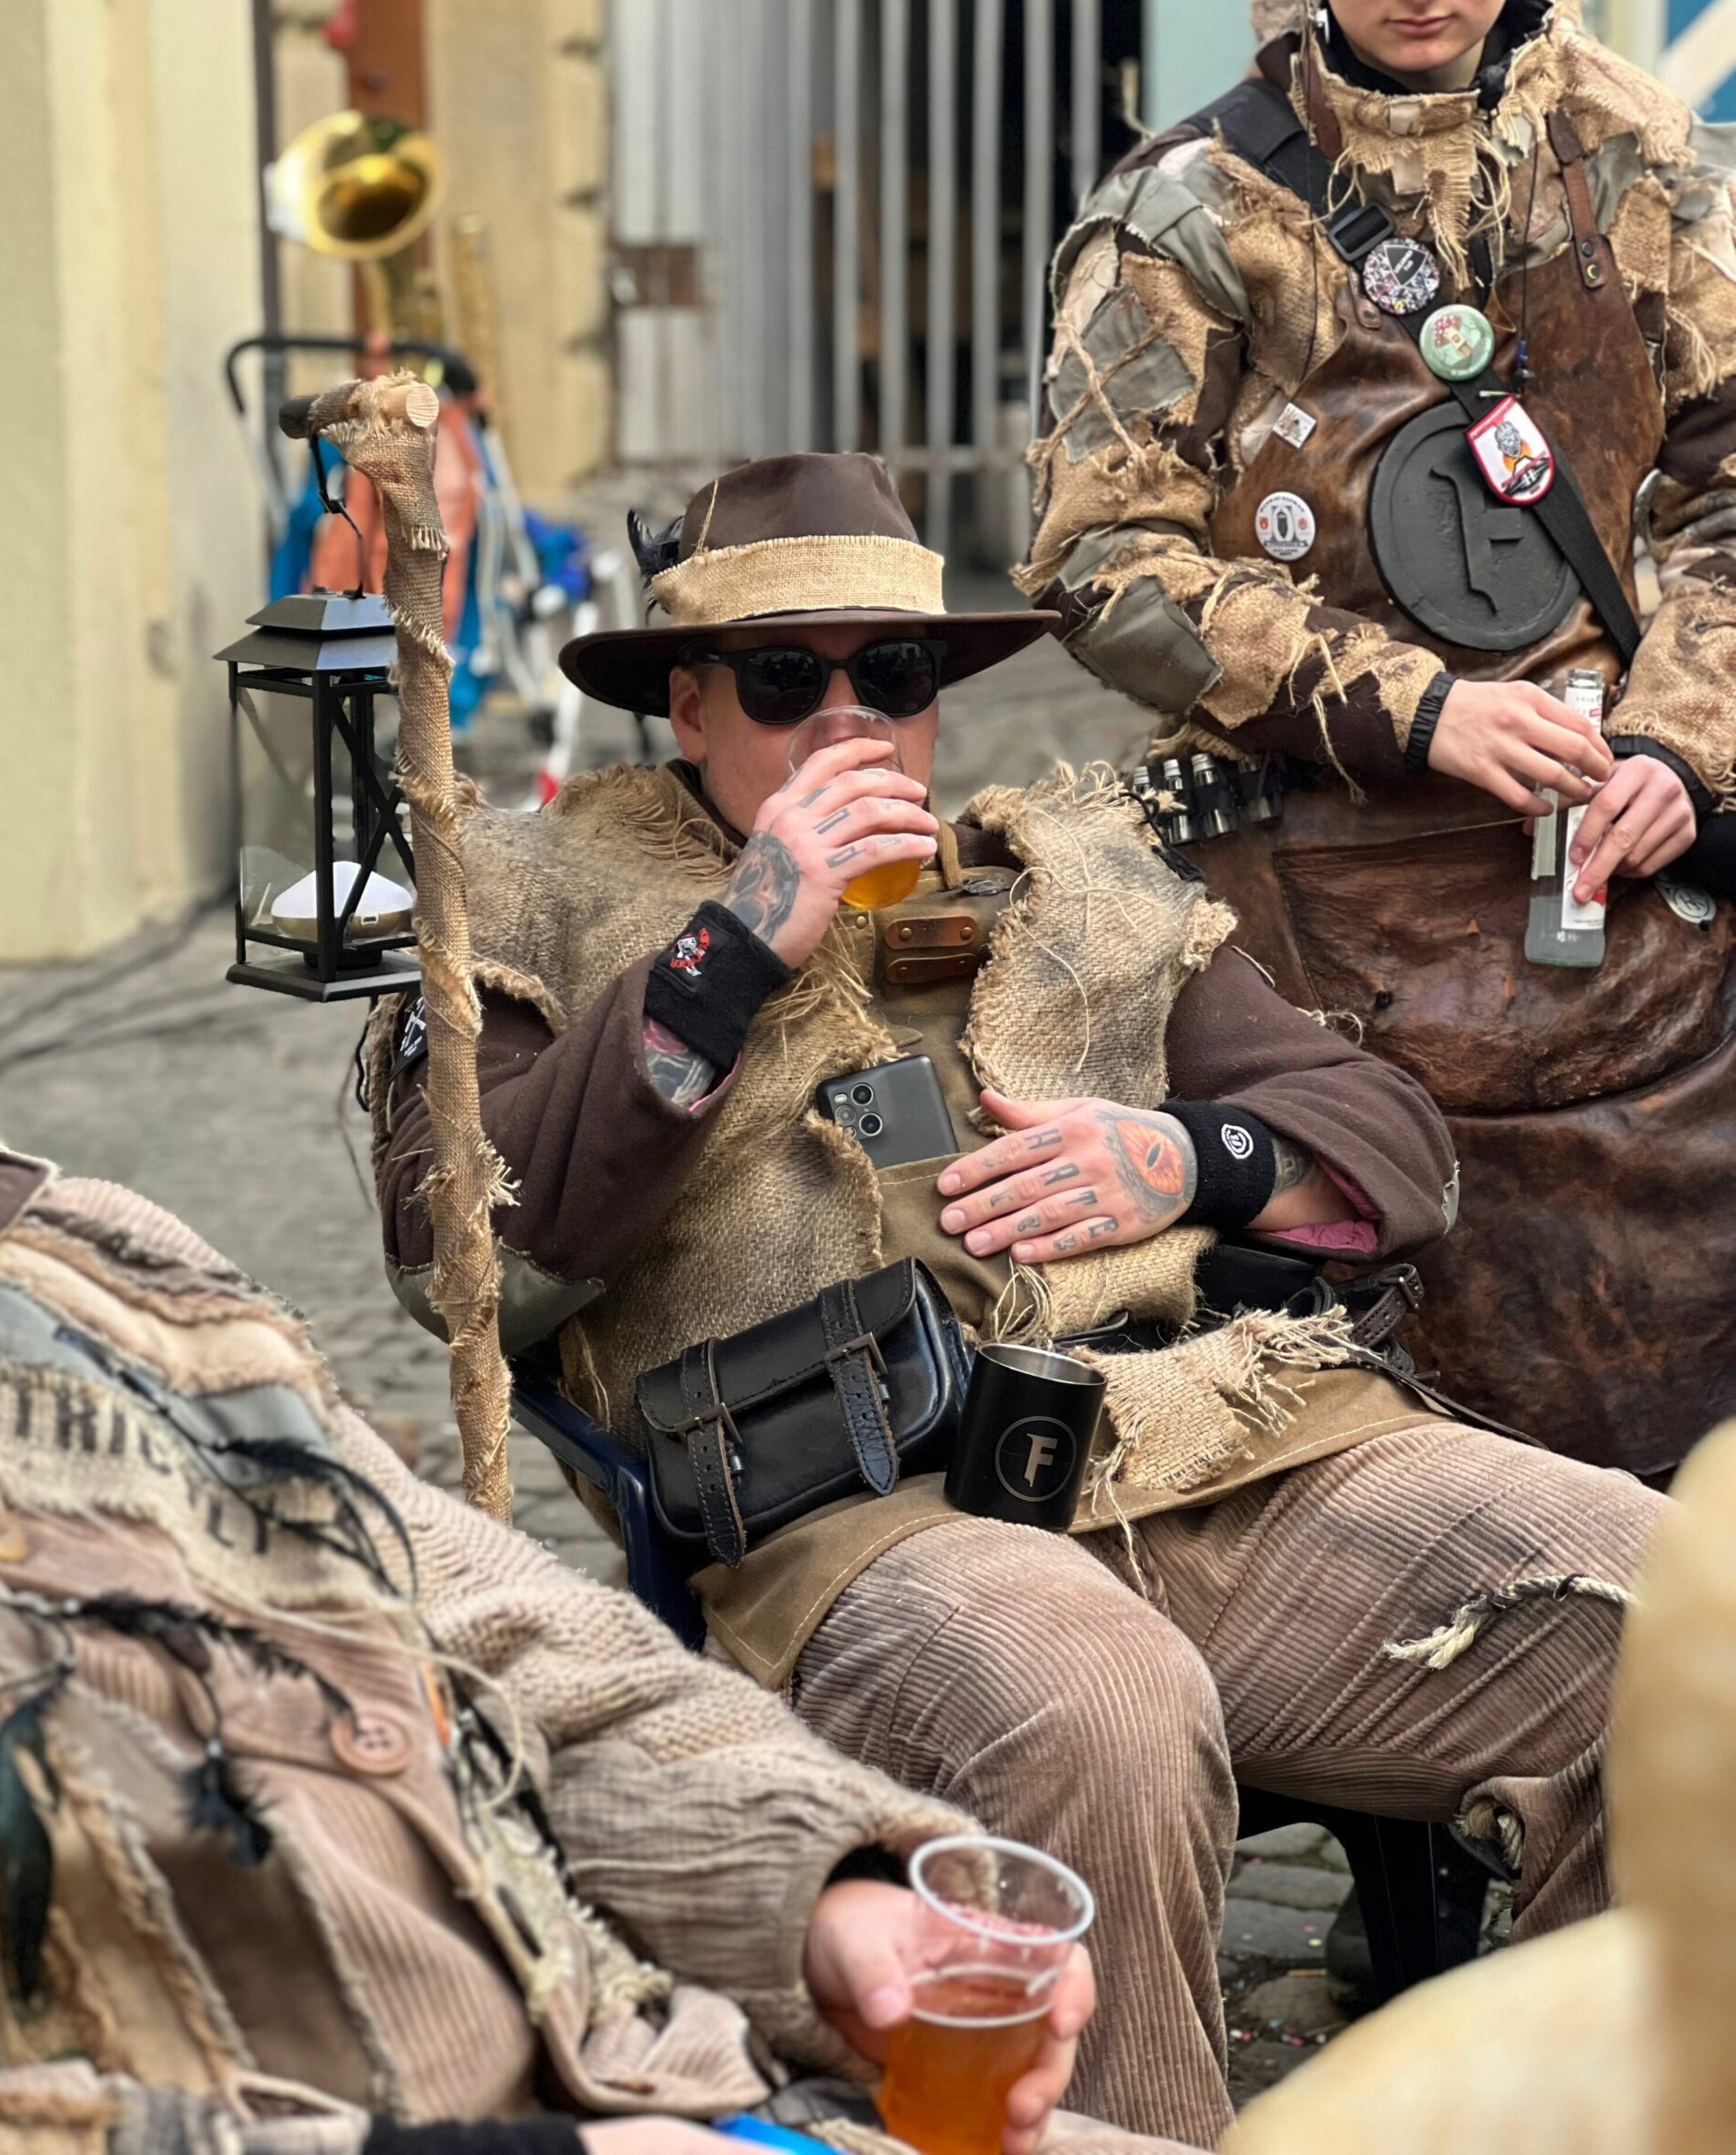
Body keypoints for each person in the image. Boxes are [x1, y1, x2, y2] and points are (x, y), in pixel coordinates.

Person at [372, 452, 1664, 2152]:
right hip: (876, 1518)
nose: (851, 722)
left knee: (1684, 1616)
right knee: (1099, 1706)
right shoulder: (531, 904)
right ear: (688, 706)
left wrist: (1187, 1158)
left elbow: (1397, 1152)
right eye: (787, 680)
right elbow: (467, 1255)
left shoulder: (1064, 880)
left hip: (1223, 1446)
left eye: (896, 675)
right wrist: (738, 943)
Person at [0, 1137, 1169, 2155]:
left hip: (685, 2084)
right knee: (1089, 1685)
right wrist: (716, 973)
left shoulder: (89, 1257)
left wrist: (814, 1890)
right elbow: (473, 1252)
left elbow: (538, 1656)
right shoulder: (549, 946)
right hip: (820, 1492)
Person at [1023, 0, 1736, 1480]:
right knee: (1398, 1421)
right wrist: (1417, 710)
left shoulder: (1642, 156)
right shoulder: (1191, 207)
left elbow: (1730, 493)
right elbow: (1099, 558)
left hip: (1620, 881)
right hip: (1323, 901)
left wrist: (1682, 742)